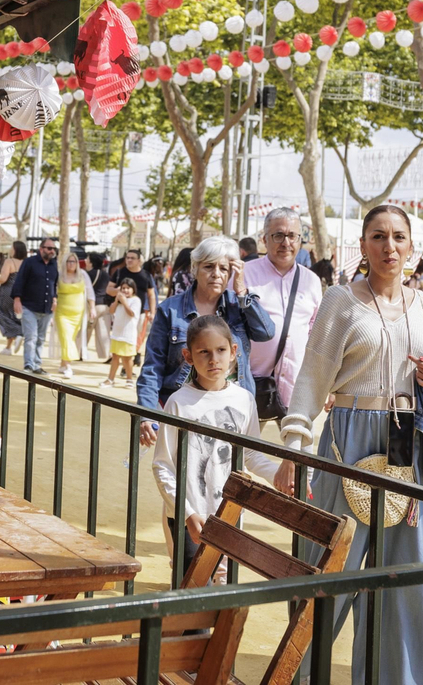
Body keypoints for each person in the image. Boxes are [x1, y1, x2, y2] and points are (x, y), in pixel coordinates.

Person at [276, 204, 423, 685]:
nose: (389, 247)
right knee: (332, 573)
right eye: (378, 236)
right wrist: (296, 442)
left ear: (412, 246)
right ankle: (302, 676)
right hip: (348, 441)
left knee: (408, 578)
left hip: (409, 446)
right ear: (363, 245)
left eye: (398, 237)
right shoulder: (340, 300)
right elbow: (311, 376)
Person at [152, 315, 289, 580]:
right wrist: (187, 514)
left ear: (233, 351)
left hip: (229, 515)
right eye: (204, 352)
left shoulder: (244, 400)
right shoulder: (179, 403)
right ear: (188, 356)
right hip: (188, 517)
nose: (213, 359)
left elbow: (250, 454)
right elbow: (163, 466)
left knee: (225, 596)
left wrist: (278, 478)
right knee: (191, 600)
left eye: (220, 350)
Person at [136, 235, 275, 431]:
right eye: (208, 267)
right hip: (184, 411)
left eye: (224, 268)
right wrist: (147, 414)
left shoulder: (239, 306)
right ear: (195, 269)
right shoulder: (170, 310)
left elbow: (266, 333)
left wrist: (242, 292)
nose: (216, 274)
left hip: (233, 412)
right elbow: (153, 366)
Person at [244, 208, 324, 423]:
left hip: (296, 387)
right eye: (278, 235)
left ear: (300, 240)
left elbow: (316, 334)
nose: (285, 242)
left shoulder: (311, 281)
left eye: (292, 236)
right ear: (264, 239)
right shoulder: (244, 274)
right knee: (240, 453)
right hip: (252, 384)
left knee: (300, 453)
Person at [11, 238, 61, 374]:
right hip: (29, 306)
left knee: (41, 338)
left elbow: (54, 285)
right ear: (41, 249)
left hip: (47, 308)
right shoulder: (29, 262)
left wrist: (54, 299)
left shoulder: (54, 265)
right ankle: (28, 364)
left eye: (54, 249)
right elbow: (20, 280)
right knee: (31, 337)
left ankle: (37, 365)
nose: (52, 251)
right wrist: (17, 299)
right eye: (49, 248)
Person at [109, 249, 159, 373]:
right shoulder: (119, 272)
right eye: (127, 258)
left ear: (139, 261)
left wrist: (152, 312)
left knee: (136, 338)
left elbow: (151, 295)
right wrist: (119, 292)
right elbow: (109, 289)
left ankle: (128, 364)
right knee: (121, 338)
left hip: (139, 313)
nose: (129, 260)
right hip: (120, 312)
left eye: (132, 258)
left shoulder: (146, 275)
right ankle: (127, 364)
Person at [53, 251, 90, 379]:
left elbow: (89, 291)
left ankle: (63, 363)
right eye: (69, 261)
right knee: (66, 337)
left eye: (73, 261)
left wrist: (93, 308)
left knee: (70, 338)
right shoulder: (59, 275)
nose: (71, 264)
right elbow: (52, 291)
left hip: (78, 313)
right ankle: (68, 367)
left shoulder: (82, 275)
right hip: (62, 313)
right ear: (64, 263)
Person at [102, 279, 142, 387]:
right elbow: (111, 311)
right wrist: (116, 300)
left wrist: (124, 302)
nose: (125, 290)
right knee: (115, 356)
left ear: (133, 289)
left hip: (128, 335)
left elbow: (131, 313)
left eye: (128, 288)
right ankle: (110, 379)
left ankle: (129, 380)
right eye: (123, 288)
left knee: (127, 358)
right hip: (117, 334)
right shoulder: (119, 301)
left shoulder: (136, 300)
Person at [0, 241, 27, 355]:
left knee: (3, 315)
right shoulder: (26, 263)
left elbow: (3, 278)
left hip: (7, 292)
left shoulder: (9, 261)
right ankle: (8, 347)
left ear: (15, 249)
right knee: (14, 317)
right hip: (21, 293)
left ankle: (19, 333)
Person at [89, 251, 113, 358]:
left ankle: (79, 352)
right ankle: (107, 354)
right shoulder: (106, 275)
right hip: (105, 305)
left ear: (91, 262)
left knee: (86, 330)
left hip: (93, 306)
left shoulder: (89, 274)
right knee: (104, 332)